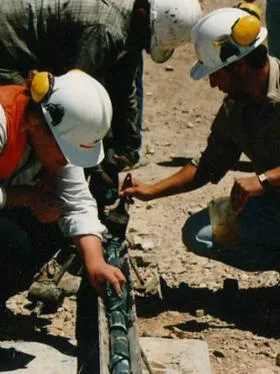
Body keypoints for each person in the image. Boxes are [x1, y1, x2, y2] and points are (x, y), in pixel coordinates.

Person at [0, 0, 202, 206]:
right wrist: (97, 167)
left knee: (53, 140)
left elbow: (124, 88)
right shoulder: (104, 30)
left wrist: (124, 148)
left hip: (30, 47)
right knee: (36, 130)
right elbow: (74, 101)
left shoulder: (134, 24)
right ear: (142, 16)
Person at [0, 69, 126, 361]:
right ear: (38, 124)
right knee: (4, 238)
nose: (67, 162)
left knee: (50, 224)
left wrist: (95, 262)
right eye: (65, 154)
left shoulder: (56, 136)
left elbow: (76, 201)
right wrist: (24, 197)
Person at [120, 7, 280, 270]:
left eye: (215, 73)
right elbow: (208, 165)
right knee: (201, 233)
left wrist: (264, 180)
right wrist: (151, 190)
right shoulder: (235, 107)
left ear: (238, 66)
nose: (213, 84)